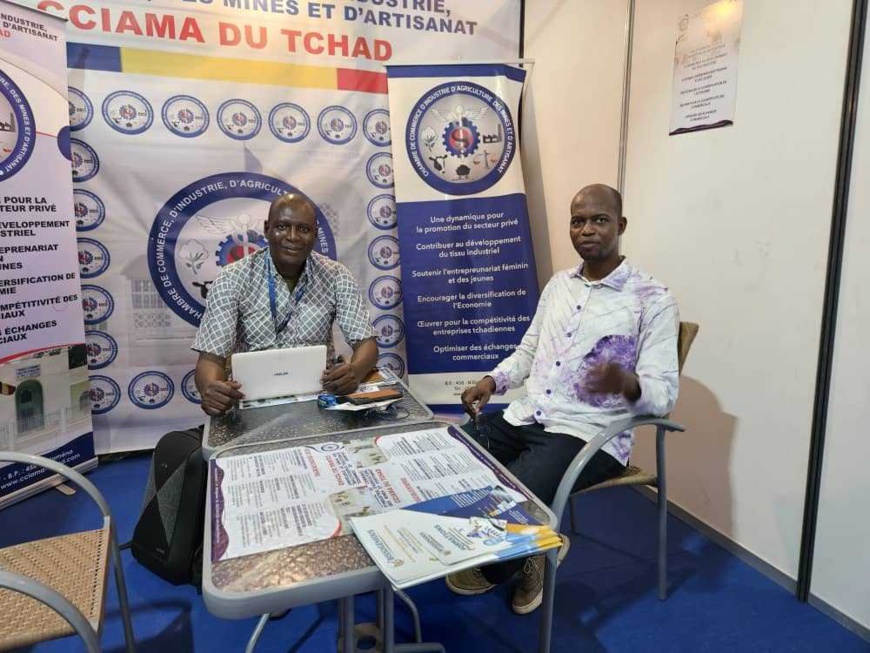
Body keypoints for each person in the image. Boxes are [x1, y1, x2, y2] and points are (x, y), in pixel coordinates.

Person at [447, 183, 680, 614]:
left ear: (621, 225)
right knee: (448, 462)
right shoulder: (558, 286)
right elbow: (529, 351)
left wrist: (626, 384)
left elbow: (663, 397)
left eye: (599, 220)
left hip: (589, 434)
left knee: (513, 496)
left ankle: (525, 557)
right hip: (528, 417)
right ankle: (532, 542)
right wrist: (491, 382)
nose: (587, 229)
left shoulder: (653, 300)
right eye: (578, 221)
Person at [191, 192, 378, 416]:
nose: (292, 236)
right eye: (282, 226)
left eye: (303, 229)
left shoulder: (336, 276)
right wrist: (211, 390)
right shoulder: (233, 278)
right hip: (253, 401)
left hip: (317, 400)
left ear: (315, 235)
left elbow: (366, 344)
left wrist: (355, 372)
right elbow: (210, 359)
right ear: (267, 229)